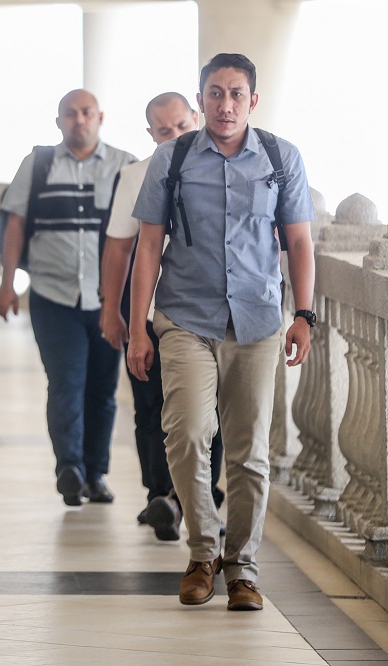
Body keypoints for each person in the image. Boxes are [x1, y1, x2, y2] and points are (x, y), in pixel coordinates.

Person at [127, 53, 315, 611]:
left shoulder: (281, 158)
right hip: (185, 318)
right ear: (201, 98)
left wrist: (304, 314)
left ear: (252, 101)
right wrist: (140, 327)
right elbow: (148, 247)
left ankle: (243, 569)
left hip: (256, 322)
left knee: (250, 451)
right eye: (214, 93)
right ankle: (203, 551)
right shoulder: (173, 158)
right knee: (185, 434)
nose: (225, 104)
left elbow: (300, 243)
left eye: (236, 94)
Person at [0, 89, 137, 506]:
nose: (79, 120)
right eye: (70, 114)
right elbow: (16, 223)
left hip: (108, 300)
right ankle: (70, 468)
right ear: (59, 121)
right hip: (51, 295)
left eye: (86, 113)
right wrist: (7, 284)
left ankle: (96, 473)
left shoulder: (125, 166)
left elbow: (143, 232)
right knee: (65, 384)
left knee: (102, 389)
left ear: (100, 117)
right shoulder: (38, 165)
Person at [99, 92, 225, 541]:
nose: (174, 136)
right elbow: (121, 248)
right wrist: (114, 313)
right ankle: (161, 495)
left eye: (181, 127)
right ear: (150, 134)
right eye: (164, 131)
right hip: (150, 315)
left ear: (196, 118)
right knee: (151, 408)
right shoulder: (137, 175)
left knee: (208, 413)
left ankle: (199, 499)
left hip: (209, 317)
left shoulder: (223, 170)